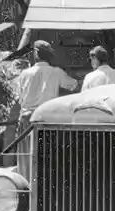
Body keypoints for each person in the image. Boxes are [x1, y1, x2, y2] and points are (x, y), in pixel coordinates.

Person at [14, 40, 77, 171]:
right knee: (47, 157)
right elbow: (73, 85)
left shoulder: (25, 74)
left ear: (36, 54)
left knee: (26, 158)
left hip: (26, 120)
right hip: (47, 119)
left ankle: (26, 182)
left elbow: (19, 98)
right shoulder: (56, 72)